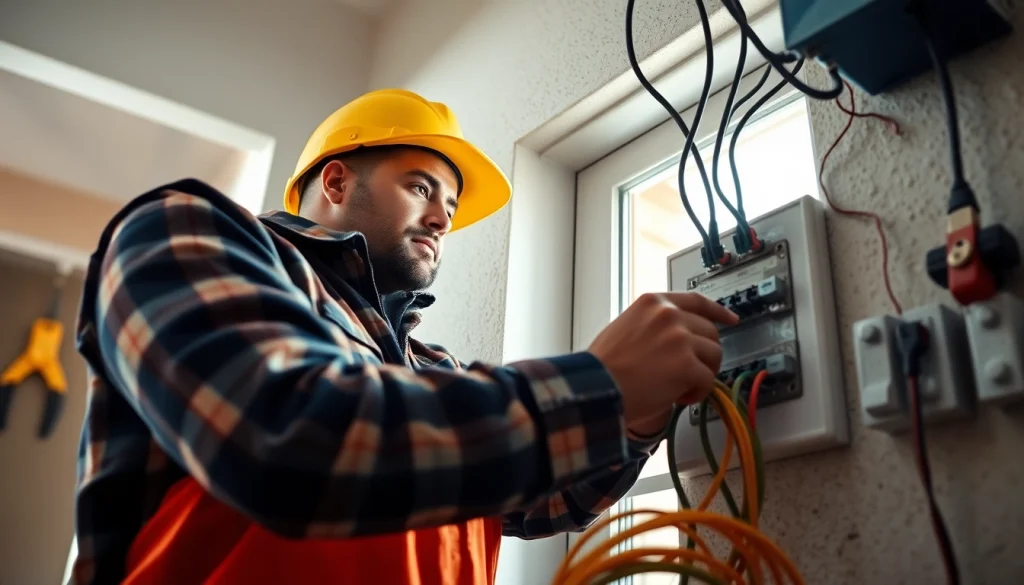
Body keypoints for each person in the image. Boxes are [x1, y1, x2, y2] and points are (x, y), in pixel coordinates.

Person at [69, 88, 737, 585]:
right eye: (423, 186)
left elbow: (549, 497)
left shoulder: (428, 369)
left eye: (451, 204)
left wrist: (637, 412)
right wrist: (601, 382)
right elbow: (286, 437)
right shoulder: (183, 230)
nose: (443, 217)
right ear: (335, 179)